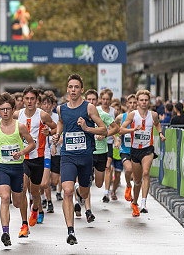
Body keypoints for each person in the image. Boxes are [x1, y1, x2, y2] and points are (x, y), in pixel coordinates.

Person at [51, 74, 107, 245]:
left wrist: (87, 128)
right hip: (67, 156)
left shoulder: (89, 108)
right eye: (70, 87)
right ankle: (70, 231)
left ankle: (79, 192)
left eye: (76, 87)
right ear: (67, 89)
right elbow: (61, 122)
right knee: (66, 191)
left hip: (85, 157)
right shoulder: (61, 109)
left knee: (83, 193)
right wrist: (58, 134)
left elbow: (104, 130)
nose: (73, 90)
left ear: (81, 89)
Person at [0, 92, 35, 247]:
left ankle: (25, 220)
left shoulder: (19, 127)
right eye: (2, 109)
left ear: (13, 110)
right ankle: (5, 232)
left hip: (17, 168)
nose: (5, 112)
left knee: (17, 203)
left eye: (8, 109)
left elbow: (32, 144)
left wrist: (21, 152)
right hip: (1, 167)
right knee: (5, 198)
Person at [15, 86, 57, 232]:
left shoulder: (43, 115)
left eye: (32, 98)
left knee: (35, 191)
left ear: (37, 100)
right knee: (22, 189)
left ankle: (36, 208)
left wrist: (49, 132)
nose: (29, 101)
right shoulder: (17, 115)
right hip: (23, 157)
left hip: (38, 156)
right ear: (23, 99)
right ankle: (24, 224)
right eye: (26, 98)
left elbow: (56, 128)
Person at [121, 90, 165, 216]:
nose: (144, 102)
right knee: (137, 180)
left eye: (146, 100)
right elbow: (121, 129)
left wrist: (161, 133)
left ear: (149, 101)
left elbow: (157, 124)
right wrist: (133, 129)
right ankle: (135, 201)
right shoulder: (132, 115)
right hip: (135, 150)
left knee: (146, 173)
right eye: (141, 100)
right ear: (138, 102)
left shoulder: (154, 114)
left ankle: (144, 203)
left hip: (147, 149)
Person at [84, 89, 119, 223]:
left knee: (98, 184)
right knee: (86, 182)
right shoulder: (81, 115)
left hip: (101, 152)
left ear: (96, 101)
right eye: (89, 100)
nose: (91, 102)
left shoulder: (103, 115)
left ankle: (91, 188)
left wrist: (105, 135)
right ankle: (88, 211)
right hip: (87, 152)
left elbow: (116, 128)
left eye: (93, 100)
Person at [116, 94, 137, 202]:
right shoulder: (121, 117)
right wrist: (117, 138)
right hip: (125, 150)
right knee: (128, 169)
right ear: (127, 104)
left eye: (135, 103)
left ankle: (133, 194)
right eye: (131, 102)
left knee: (135, 177)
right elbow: (114, 127)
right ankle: (128, 185)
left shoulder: (140, 117)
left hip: (137, 150)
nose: (132, 105)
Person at [40, 91, 59, 212]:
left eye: (48, 103)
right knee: (43, 181)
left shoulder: (57, 117)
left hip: (57, 151)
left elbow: (59, 131)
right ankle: (47, 200)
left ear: (52, 105)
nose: (46, 106)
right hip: (42, 151)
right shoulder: (38, 116)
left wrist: (54, 143)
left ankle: (48, 197)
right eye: (44, 103)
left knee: (54, 181)